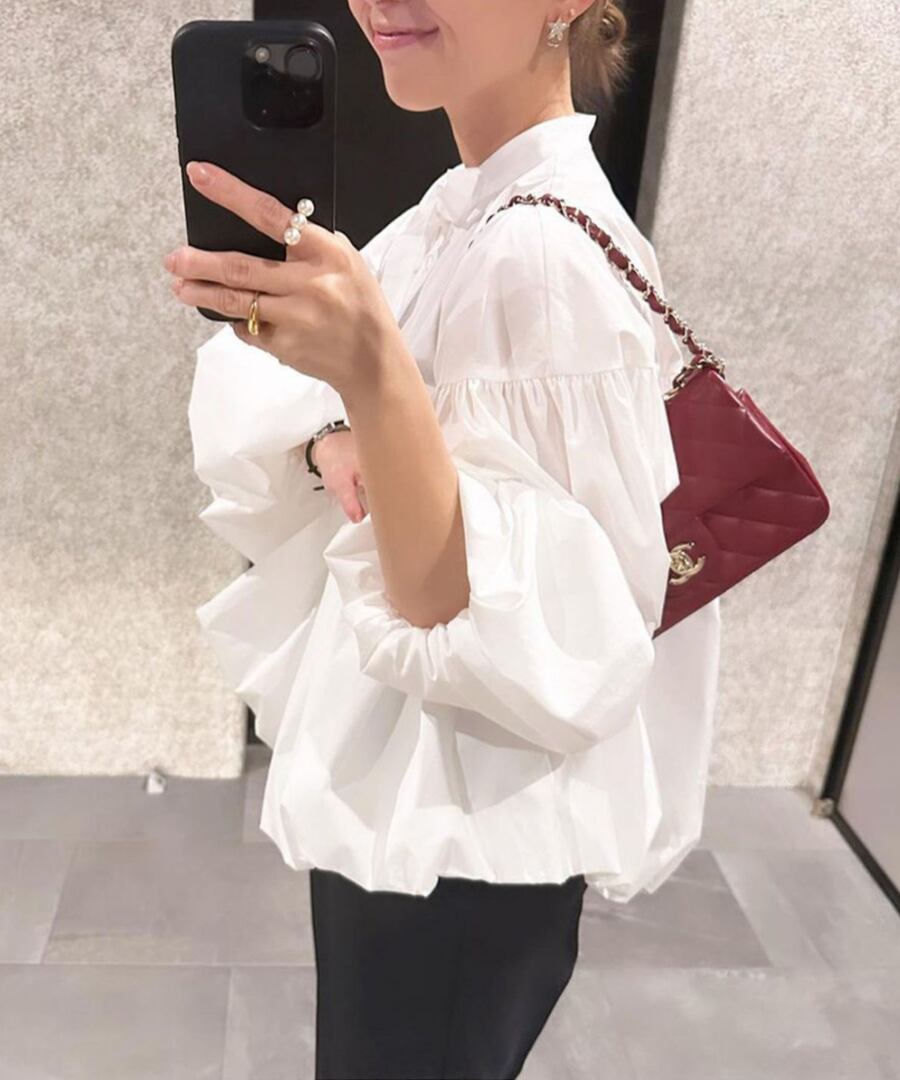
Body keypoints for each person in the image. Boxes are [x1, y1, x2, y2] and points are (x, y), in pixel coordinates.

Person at [183, 1, 721, 1077]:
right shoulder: (465, 209)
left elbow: (474, 617)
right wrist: (340, 422)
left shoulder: (537, 254)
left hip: (465, 834)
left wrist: (372, 375)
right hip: (433, 809)